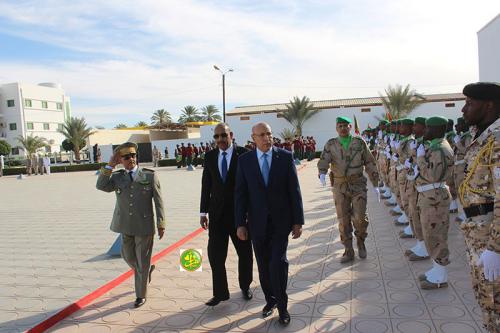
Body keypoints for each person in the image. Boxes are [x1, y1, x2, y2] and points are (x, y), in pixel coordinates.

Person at [235, 122, 304, 326]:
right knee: (264, 267)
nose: (266, 138)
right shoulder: (245, 161)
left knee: (277, 263)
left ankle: (282, 307)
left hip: (281, 223)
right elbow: (240, 194)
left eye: (269, 134)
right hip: (256, 224)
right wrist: (240, 223)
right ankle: (270, 300)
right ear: (253, 138)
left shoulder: (284, 157)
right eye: (262, 135)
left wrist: (297, 221)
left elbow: (294, 190)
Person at [96, 142, 166, 308]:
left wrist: (161, 222)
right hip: (125, 225)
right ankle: (145, 271)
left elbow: (158, 200)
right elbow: (100, 185)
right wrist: (110, 165)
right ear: (120, 160)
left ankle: (141, 295)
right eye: (126, 157)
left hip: (144, 225)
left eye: (133, 155)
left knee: (142, 260)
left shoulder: (149, 176)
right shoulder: (117, 177)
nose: (131, 159)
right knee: (127, 256)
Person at [458, 82, 500, 331]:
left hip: (491, 237)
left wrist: (496, 248)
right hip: (478, 232)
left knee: (495, 304)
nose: (464, 109)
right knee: (486, 301)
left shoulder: (497, 140)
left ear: (488, 105)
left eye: (469, 103)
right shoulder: (482, 135)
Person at [200, 123, 253, 306]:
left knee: (245, 253)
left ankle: (245, 286)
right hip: (217, 216)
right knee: (215, 255)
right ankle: (220, 293)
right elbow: (206, 185)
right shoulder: (210, 156)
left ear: (231, 134)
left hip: (240, 217)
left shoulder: (244, 154)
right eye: (216, 136)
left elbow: (250, 186)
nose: (220, 139)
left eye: (223, 135)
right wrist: (203, 211)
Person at [317, 116, 380, 263]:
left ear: (350, 127)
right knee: (343, 219)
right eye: (340, 125)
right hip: (339, 186)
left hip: (358, 184)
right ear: (336, 128)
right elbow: (324, 159)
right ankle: (348, 249)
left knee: (359, 217)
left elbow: (370, 162)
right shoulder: (331, 144)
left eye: (346, 125)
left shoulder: (359, 142)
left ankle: (361, 241)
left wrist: (376, 183)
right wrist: (322, 172)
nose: (343, 128)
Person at [414, 116, 454, 290]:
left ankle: (440, 276)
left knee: (436, 235)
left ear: (437, 130)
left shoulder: (439, 149)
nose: (425, 131)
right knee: (431, 235)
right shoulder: (436, 146)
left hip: (435, 200)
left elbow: (433, 176)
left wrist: (420, 158)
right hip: (431, 198)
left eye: (428, 128)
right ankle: (437, 269)